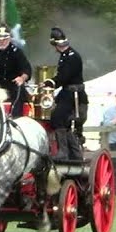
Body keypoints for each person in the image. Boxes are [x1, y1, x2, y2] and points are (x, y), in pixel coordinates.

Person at [41, 27, 87, 160]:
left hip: (73, 94)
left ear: (55, 45)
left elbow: (63, 77)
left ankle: (63, 152)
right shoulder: (66, 56)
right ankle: (75, 154)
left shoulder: (72, 57)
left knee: (57, 118)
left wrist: (48, 83)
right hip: (67, 93)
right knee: (64, 123)